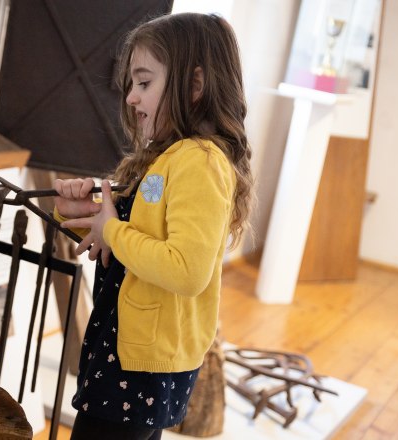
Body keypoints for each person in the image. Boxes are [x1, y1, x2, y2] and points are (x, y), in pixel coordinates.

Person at [53, 12, 253, 440]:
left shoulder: (200, 162)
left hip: (143, 364)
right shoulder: (168, 158)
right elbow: (131, 238)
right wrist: (76, 211)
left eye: (143, 83)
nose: (130, 97)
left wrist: (111, 230)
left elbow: (186, 270)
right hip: (127, 348)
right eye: (132, 84)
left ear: (195, 86)